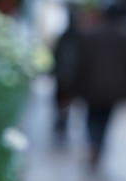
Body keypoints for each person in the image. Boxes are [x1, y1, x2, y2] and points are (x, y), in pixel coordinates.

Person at [73, 4, 126, 168]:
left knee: (92, 117)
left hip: (92, 87)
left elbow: (82, 63)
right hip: (114, 88)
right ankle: (98, 146)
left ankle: (93, 144)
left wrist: (77, 86)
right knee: (105, 118)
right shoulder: (125, 37)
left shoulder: (92, 36)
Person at [52, 7, 81, 144]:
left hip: (68, 76)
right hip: (66, 76)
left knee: (64, 102)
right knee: (62, 102)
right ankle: (61, 121)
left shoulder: (75, 37)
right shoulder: (69, 37)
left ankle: (62, 121)